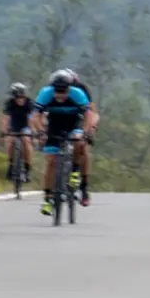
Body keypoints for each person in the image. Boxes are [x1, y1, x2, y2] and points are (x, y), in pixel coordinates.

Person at [33, 70, 92, 214]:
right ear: (52, 88)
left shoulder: (77, 93)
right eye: (57, 91)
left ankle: (74, 173)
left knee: (78, 142)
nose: (60, 94)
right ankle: (48, 199)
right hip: (55, 124)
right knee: (51, 161)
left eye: (64, 91)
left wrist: (84, 132)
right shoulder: (45, 93)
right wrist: (41, 132)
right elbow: (34, 117)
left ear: (69, 88)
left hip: (74, 123)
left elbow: (88, 116)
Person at [59, 68, 98, 203]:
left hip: (80, 120)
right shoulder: (54, 89)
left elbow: (92, 111)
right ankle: (58, 184)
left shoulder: (82, 89)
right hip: (60, 119)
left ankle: (84, 188)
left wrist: (91, 129)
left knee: (83, 149)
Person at [1, 82, 35, 182]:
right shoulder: (9, 103)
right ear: (13, 97)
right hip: (14, 125)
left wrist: (32, 131)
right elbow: (6, 118)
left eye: (22, 97)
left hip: (26, 125)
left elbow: (32, 118)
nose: (20, 100)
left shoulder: (30, 103)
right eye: (17, 97)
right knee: (11, 140)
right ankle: (11, 165)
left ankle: (27, 168)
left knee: (26, 140)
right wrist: (3, 131)